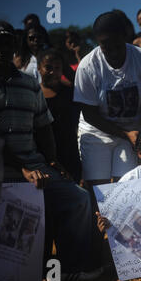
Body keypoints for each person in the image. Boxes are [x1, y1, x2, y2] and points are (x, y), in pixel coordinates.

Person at [0, 21, 100, 281]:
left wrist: (53, 160)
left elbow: (43, 127)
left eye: (8, 42)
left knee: (78, 199)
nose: (3, 48)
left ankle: (71, 269)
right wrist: (22, 169)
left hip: (35, 166)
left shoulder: (29, 84)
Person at [73, 12, 141, 191]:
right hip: (97, 131)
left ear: (125, 37)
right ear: (97, 42)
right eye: (105, 46)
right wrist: (125, 133)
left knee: (126, 187)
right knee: (99, 190)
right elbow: (89, 114)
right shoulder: (87, 66)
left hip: (132, 130)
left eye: (117, 45)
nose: (113, 52)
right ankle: (99, 220)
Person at [37, 48, 82, 184]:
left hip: (70, 153)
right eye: (48, 67)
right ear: (39, 68)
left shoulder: (70, 93)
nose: (53, 72)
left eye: (57, 68)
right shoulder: (33, 93)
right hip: (43, 155)